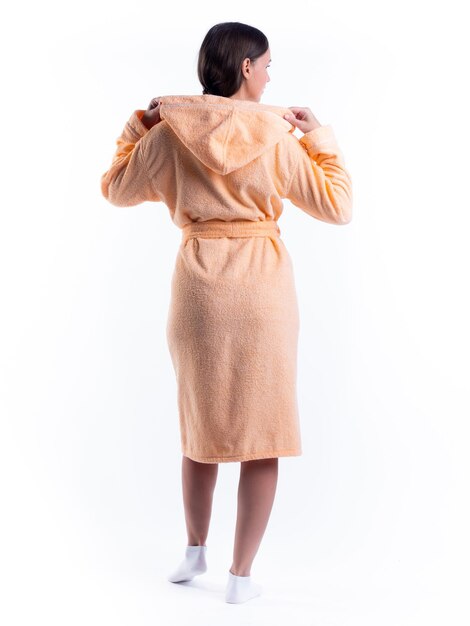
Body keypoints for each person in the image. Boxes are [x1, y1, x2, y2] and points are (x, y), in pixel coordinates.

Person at [100, 21, 353, 604]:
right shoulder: (277, 137)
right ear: (245, 68)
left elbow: (114, 187)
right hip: (262, 289)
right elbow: (338, 206)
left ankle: (193, 552)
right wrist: (321, 139)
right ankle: (240, 577)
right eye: (266, 66)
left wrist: (140, 126)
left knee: (201, 424)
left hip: (197, 290)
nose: (269, 77)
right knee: (263, 434)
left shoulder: (169, 135)